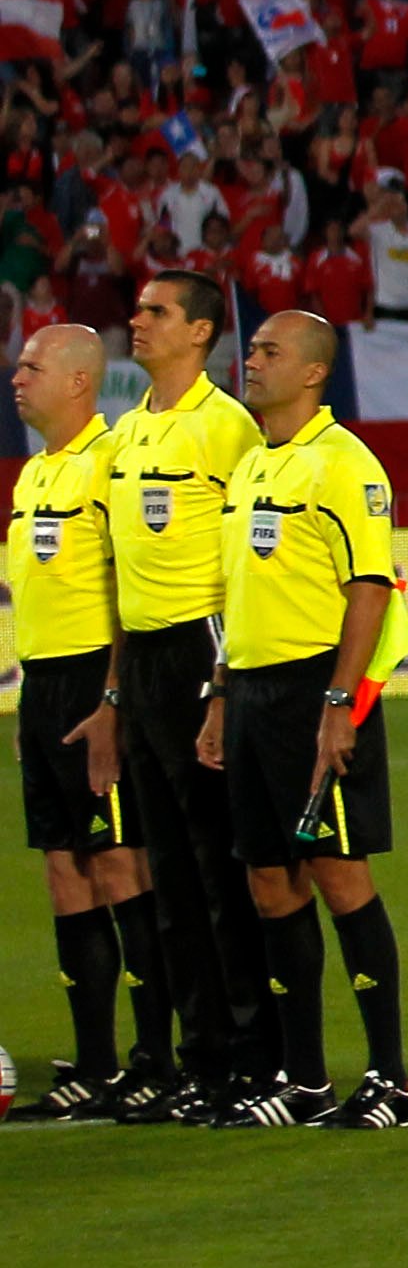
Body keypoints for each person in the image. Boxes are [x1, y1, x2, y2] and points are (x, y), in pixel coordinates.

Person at [199, 309, 408, 1122]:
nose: (249, 361)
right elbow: (238, 595)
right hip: (252, 692)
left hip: (311, 691)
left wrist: (339, 701)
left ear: (315, 371)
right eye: (250, 350)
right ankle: (306, 1080)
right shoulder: (256, 465)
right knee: (267, 884)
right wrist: (221, 694)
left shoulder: (343, 464)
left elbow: (369, 585)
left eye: (267, 351)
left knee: (338, 875)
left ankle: (389, 1080)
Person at [94, 269, 268, 1118]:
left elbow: (244, 563)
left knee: (215, 868)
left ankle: (250, 1058)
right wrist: (117, 690)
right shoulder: (127, 434)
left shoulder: (225, 428)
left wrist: (225, 687)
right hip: (145, 663)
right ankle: (198, 1062)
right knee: (167, 870)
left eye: (157, 311)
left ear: (200, 332)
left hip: (203, 650)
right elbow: (120, 574)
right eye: (139, 310)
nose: (140, 321)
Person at [14, 323, 165, 1118]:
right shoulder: (34, 474)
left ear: (79, 383)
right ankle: (95, 1067)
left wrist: (111, 700)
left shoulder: (111, 466)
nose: (17, 377)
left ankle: (154, 1058)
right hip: (40, 685)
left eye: (33, 366)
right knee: (64, 871)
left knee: (118, 864)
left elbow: (127, 595)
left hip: (93, 685)